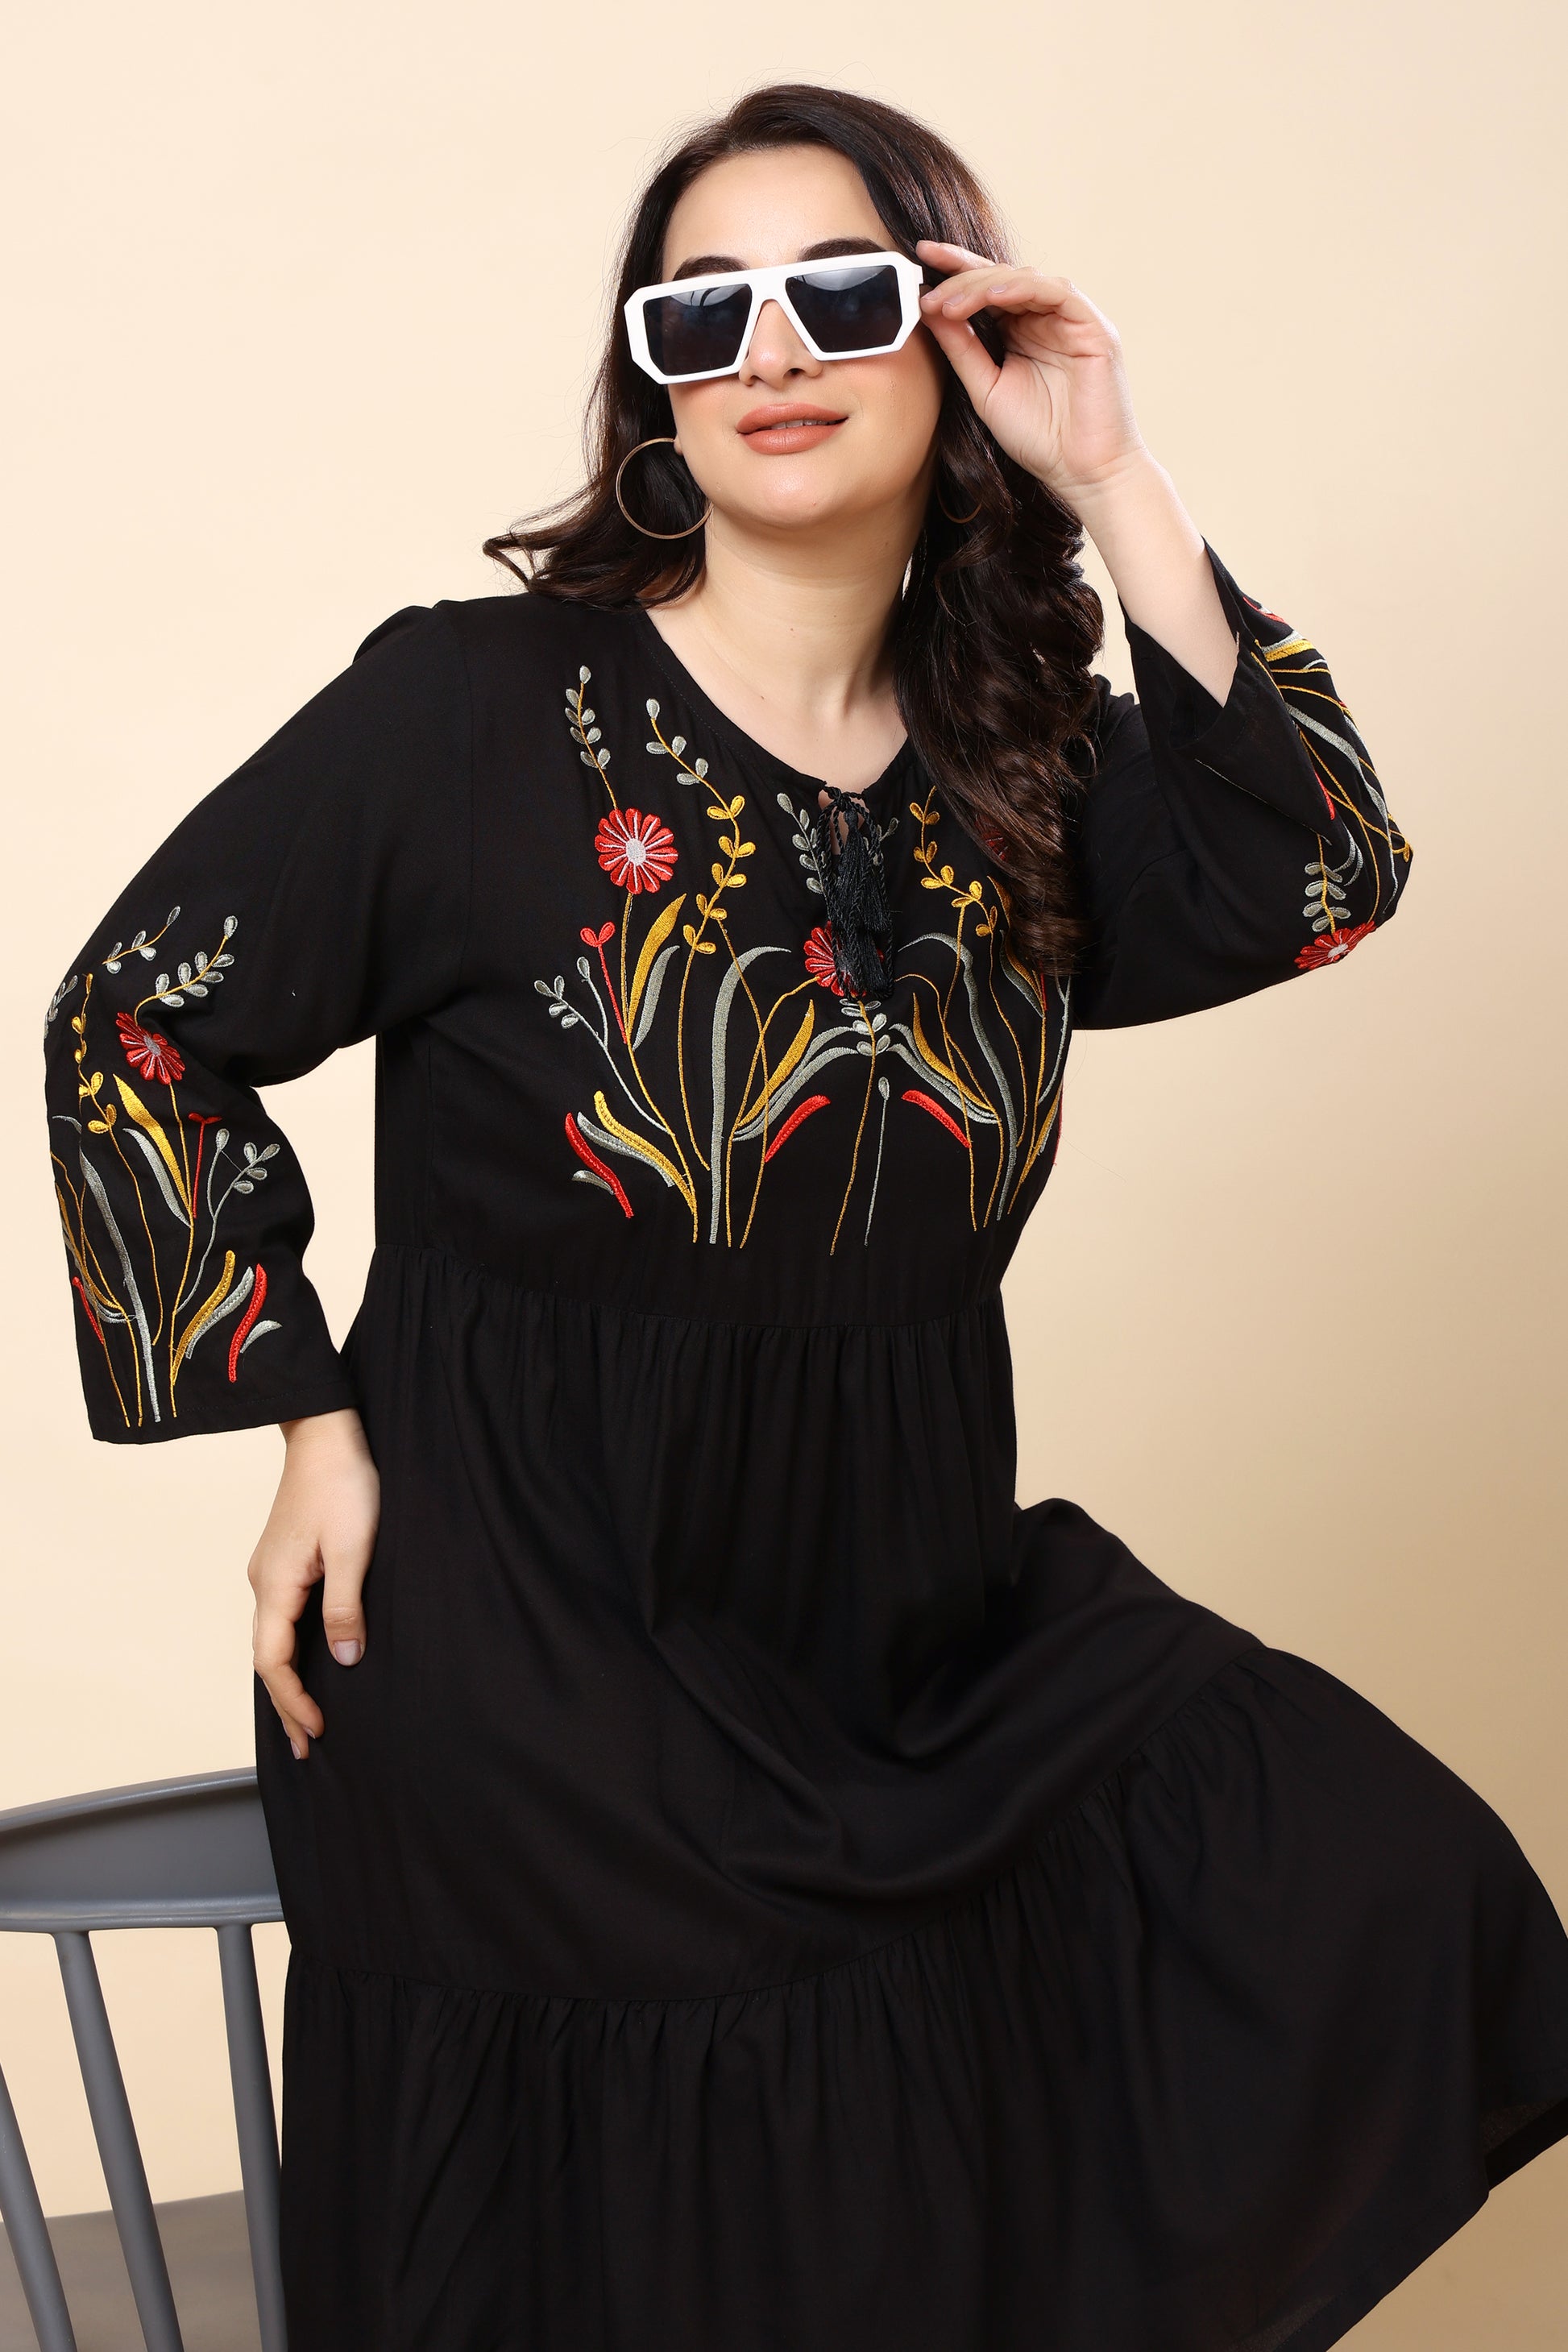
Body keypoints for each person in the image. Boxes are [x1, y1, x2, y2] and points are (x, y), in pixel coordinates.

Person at [43, 79, 1568, 2352]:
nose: (766, 350)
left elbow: (1320, 867)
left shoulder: (1025, 775)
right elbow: (137, 1016)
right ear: (654, 386)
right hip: (526, 1638)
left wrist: (1111, 473)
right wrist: (309, 1420)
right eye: (701, 311)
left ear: (953, 334)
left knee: (1352, 1868)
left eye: (838, 294)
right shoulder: (471, 710)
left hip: (902, 1630)